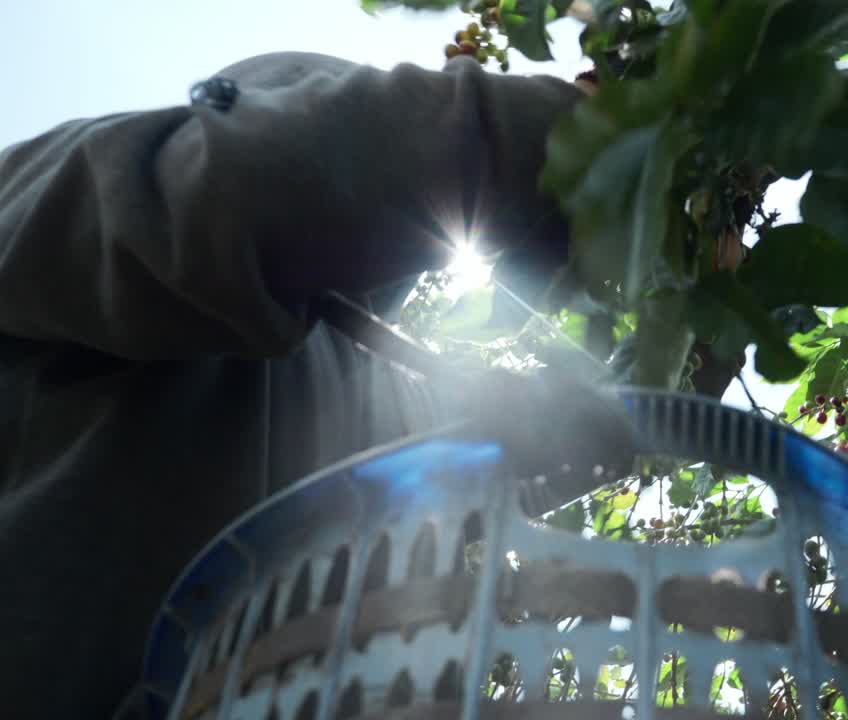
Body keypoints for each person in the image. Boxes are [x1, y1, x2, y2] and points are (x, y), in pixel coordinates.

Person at [0, 51, 636, 718]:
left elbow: (512, 449)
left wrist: (595, 403)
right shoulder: (50, 191)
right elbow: (245, 185)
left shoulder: (374, 389)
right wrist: (582, 132)